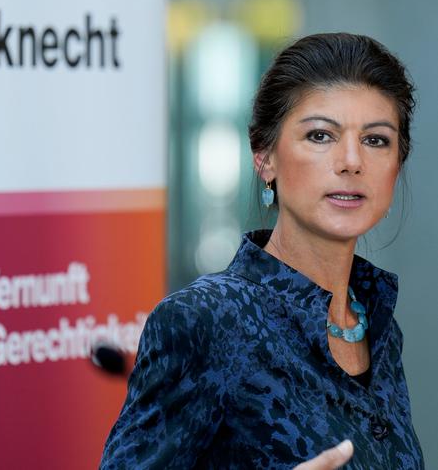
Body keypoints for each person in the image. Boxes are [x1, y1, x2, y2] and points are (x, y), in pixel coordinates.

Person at [99, 32, 425, 469]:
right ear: (265, 158)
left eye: (376, 140)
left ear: (397, 164)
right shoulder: (205, 321)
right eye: (321, 136)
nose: (352, 161)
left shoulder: (378, 325)